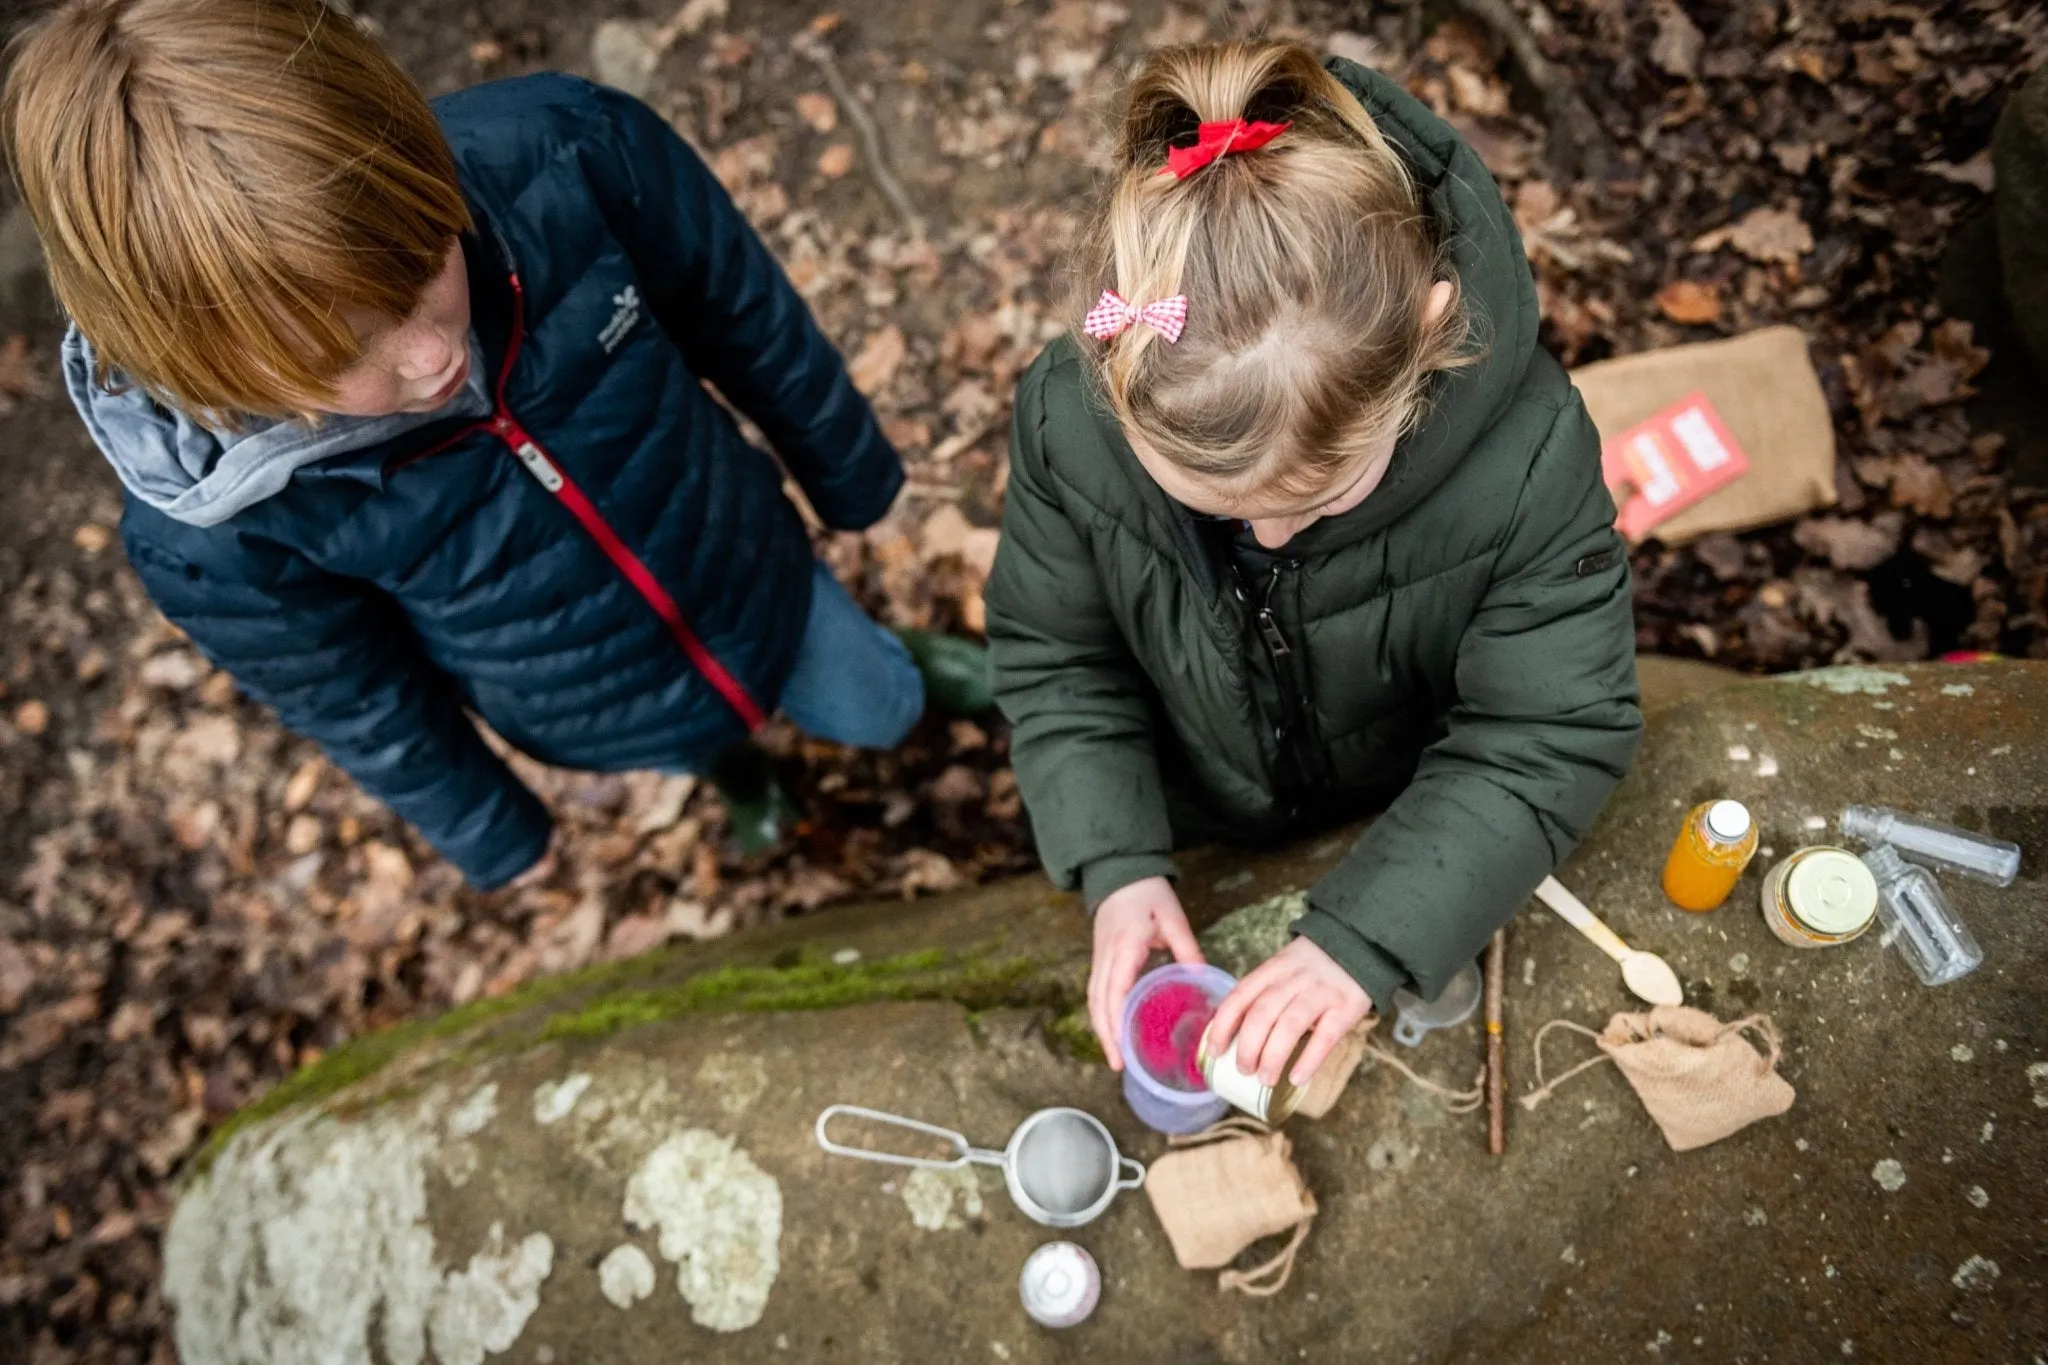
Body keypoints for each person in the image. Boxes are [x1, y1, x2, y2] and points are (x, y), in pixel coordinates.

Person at [3, 0, 973, 884]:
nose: (432, 358)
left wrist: (849, 472)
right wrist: (490, 828)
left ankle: (902, 670)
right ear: (211, 363)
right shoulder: (210, 529)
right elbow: (354, 694)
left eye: (427, 266)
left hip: (746, 562)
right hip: (580, 691)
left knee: (873, 704)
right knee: (694, 740)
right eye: (348, 352)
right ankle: (738, 776)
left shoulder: (568, 152)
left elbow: (740, 310)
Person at [986, 41, 1642, 1093]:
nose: (1273, 542)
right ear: (1116, 375)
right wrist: (1114, 856)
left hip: (1401, 794)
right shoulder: (1069, 421)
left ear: (1425, 331)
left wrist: (1369, 935)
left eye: (1316, 499)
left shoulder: (1528, 465)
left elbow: (1546, 727)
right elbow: (1055, 652)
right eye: (1218, 511)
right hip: (1204, 794)